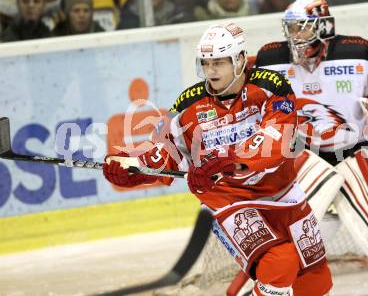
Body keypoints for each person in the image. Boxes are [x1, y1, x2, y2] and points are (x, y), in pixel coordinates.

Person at [103, 22, 333, 296]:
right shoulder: (188, 105)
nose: (210, 71)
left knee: (316, 280)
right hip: (228, 200)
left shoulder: (271, 87)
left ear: (238, 60)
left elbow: (277, 137)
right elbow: (162, 150)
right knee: (279, 263)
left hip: (284, 194)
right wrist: (131, 166)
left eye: (219, 63)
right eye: (206, 63)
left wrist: (233, 160)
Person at [254, 0, 368, 295]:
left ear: (323, 26)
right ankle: (272, 289)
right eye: (290, 28)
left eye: (300, 27)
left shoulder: (358, 50)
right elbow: (255, 108)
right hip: (306, 158)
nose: (293, 36)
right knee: (289, 232)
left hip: (356, 155)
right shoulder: (270, 58)